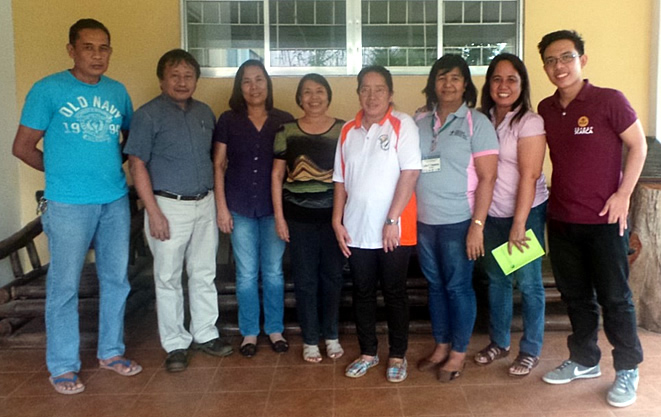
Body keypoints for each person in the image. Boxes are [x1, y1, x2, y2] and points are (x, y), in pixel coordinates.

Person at [11, 18, 142, 395]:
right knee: (64, 285)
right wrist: (62, 174)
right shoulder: (48, 90)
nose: (97, 55)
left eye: (104, 48)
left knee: (116, 280)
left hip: (114, 200)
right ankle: (63, 365)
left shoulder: (117, 92)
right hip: (67, 204)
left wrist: (105, 168)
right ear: (72, 50)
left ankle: (111, 352)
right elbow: (22, 148)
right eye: (89, 47)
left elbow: (129, 140)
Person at [537, 30, 646, 408]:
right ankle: (584, 359)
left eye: (565, 57)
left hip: (605, 220)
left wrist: (623, 194)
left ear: (582, 59)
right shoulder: (546, 109)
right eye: (550, 60)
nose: (558, 66)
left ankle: (628, 368)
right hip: (563, 219)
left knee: (616, 299)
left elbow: (638, 145)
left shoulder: (609, 100)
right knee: (576, 297)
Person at [124, 49, 232, 373]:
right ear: (161, 80)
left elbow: (216, 160)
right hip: (167, 206)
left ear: (196, 80)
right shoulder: (147, 115)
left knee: (203, 273)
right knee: (168, 278)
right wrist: (153, 212)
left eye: (188, 76)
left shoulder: (204, 113)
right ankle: (175, 344)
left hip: (205, 203)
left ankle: (205, 333)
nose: (182, 82)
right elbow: (136, 163)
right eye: (175, 75)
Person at [332, 65, 421, 383]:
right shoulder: (347, 131)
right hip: (356, 229)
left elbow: (410, 173)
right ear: (357, 93)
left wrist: (392, 219)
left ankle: (397, 354)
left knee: (395, 292)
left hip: (394, 230)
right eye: (365, 89)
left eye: (379, 89)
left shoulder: (403, 124)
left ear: (390, 93)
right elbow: (340, 180)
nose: (371, 95)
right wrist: (336, 221)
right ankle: (368, 352)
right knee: (363, 292)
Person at [414, 55, 498, 382]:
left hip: (459, 221)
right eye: (441, 77)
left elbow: (488, 179)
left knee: (458, 286)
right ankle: (441, 345)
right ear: (433, 83)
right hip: (424, 222)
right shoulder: (420, 121)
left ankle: (459, 351)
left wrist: (477, 226)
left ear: (466, 84)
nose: (448, 84)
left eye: (455, 78)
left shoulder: (478, 123)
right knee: (435, 286)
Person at [473, 53, 548, 377]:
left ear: (522, 84)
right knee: (497, 280)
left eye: (511, 79)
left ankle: (530, 349)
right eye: (497, 79)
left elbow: (530, 175)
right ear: (488, 83)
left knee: (529, 283)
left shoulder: (529, 122)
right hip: (491, 213)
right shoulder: (481, 119)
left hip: (525, 212)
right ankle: (499, 342)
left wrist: (519, 224)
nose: (503, 86)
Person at [213, 60, 294, 357]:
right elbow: (219, 165)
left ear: (268, 84)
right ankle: (249, 332)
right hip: (239, 206)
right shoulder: (228, 120)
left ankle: (274, 329)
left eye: (259, 80)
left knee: (273, 271)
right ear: (239, 87)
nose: (254, 87)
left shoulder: (283, 120)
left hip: (275, 209)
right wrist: (221, 208)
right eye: (247, 81)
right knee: (246, 273)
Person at [272, 74, 345, 363]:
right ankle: (311, 340)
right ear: (299, 98)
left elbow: (347, 176)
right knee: (305, 281)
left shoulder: (343, 129)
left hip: (333, 219)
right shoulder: (285, 130)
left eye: (319, 91)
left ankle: (332, 336)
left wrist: (342, 219)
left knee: (333, 278)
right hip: (297, 218)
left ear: (328, 95)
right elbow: (277, 175)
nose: (313, 97)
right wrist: (279, 217)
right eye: (306, 92)